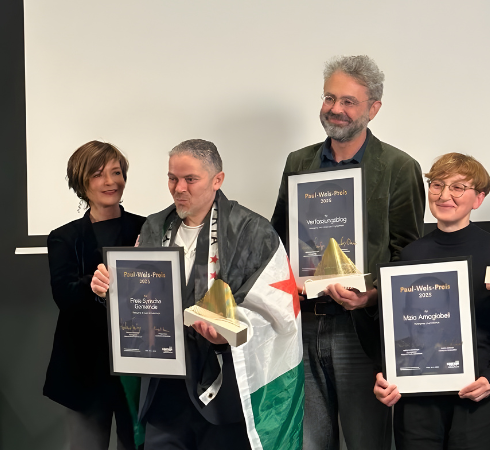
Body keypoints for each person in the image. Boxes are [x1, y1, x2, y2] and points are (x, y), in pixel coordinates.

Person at [91, 139, 303, 450]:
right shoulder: (154, 227)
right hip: (164, 391)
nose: (179, 188)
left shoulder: (253, 231)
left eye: (190, 179)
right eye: (172, 178)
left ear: (217, 180)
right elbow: (139, 301)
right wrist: (109, 290)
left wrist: (229, 331)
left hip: (223, 392)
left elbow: (277, 310)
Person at [271, 55, 425, 450]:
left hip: (361, 332)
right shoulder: (298, 162)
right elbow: (279, 240)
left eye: (349, 101)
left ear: (373, 109)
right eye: (329, 98)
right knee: (309, 442)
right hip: (304, 325)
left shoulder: (398, 167)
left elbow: (407, 255)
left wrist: (371, 295)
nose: (335, 109)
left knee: (365, 442)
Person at [375, 153, 490, 450]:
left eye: (458, 187)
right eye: (437, 185)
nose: (444, 195)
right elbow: (397, 327)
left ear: (478, 199)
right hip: (418, 399)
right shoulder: (409, 255)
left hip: (478, 391)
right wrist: (386, 375)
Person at [44, 141, 146, 450]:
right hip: (84, 369)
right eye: (98, 174)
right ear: (81, 182)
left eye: (116, 172)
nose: (110, 182)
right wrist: (94, 285)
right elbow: (64, 296)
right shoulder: (64, 237)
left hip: (138, 366)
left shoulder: (146, 229)